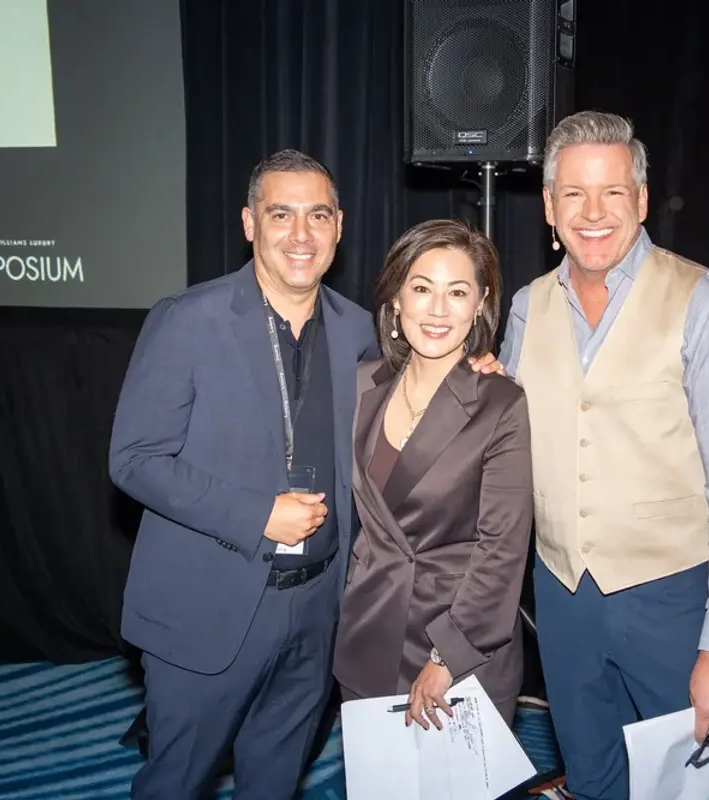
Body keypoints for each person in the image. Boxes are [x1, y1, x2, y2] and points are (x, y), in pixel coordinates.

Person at [109, 151, 501, 799]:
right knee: (174, 783)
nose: (300, 233)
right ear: (249, 223)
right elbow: (135, 459)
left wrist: (475, 374)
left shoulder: (361, 332)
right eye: (280, 214)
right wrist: (256, 513)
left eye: (317, 215)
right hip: (207, 609)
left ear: (339, 226)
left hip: (321, 611)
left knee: (276, 780)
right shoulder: (187, 321)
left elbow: (418, 407)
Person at [499, 111, 709, 800]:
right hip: (561, 598)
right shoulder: (526, 308)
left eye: (613, 193)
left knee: (694, 793)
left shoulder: (706, 305)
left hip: (673, 602)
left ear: (641, 202)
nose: (594, 213)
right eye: (575, 195)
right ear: (550, 209)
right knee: (592, 780)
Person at [333, 219, 533, 729]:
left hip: (460, 645)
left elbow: (502, 550)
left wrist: (448, 658)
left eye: (457, 292)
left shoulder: (501, 403)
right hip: (368, 633)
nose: (438, 310)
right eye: (422, 288)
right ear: (397, 298)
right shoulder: (360, 386)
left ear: (480, 303)